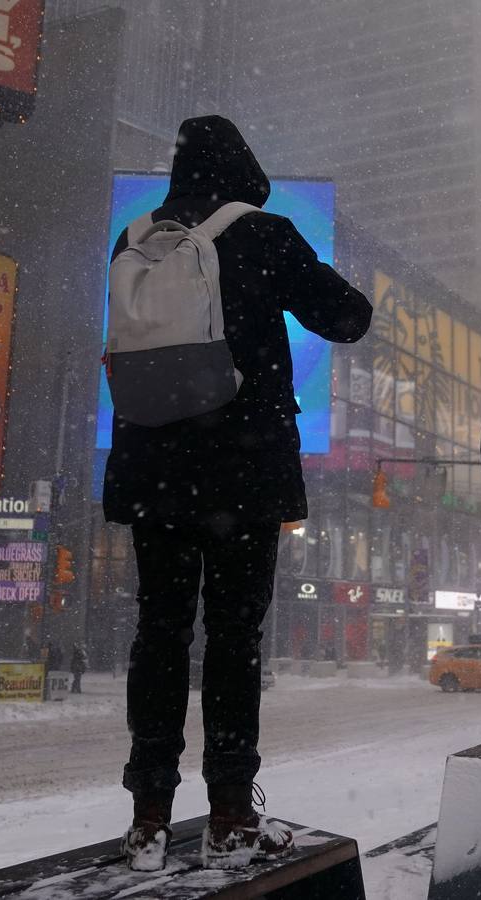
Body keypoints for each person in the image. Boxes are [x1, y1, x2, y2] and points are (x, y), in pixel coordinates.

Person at [102, 115, 371, 871]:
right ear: (243, 164)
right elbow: (345, 317)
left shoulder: (136, 237)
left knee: (159, 636)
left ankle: (148, 817)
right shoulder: (263, 232)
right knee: (232, 641)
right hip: (240, 469)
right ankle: (228, 818)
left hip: (151, 462)